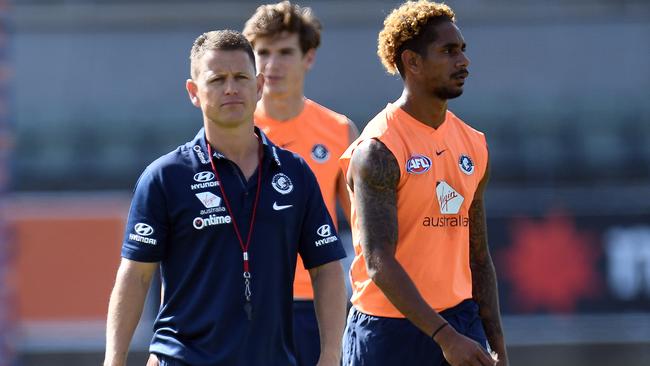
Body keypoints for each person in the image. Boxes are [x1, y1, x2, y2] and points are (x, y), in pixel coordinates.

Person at [103, 30, 347, 366]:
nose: (231, 88)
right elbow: (136, 275)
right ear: (194, 92)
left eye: (241, 77)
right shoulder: (164, 176)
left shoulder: (295, 172)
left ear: (259, 85)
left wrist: (331, 355)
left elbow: (327, 269)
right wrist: (113, 361)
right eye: (217, 79)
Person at [339, 1, 508, 365]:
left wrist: (497, 346)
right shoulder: (378, 149)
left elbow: (478, 258)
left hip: (460, 321)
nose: (463, 62)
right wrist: (445, 338)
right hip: (389, 331)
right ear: (412, 62)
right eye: (448, 52)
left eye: (463, 50)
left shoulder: (473, 144)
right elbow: (378, 261)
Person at [243, 2, 358, 365]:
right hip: (247, 301)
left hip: (318, 303)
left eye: (285, 52)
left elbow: (362, 229)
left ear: (308, 57)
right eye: (262, 52)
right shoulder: (234, 130)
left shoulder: (339, 131)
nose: (271, 64)